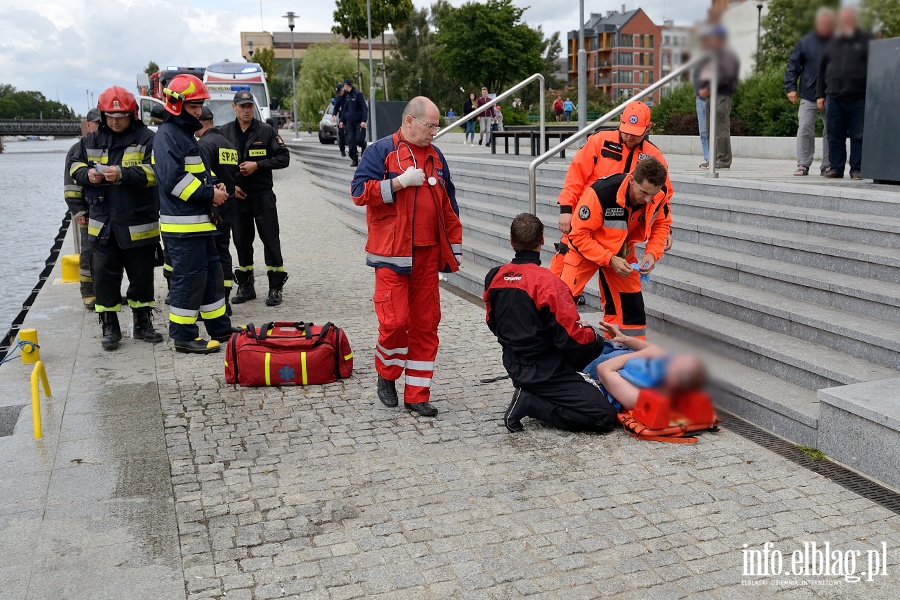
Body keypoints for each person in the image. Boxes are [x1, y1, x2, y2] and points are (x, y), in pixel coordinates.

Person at [350, 96, 463, 418]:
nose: (434, 133)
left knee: (427, 325)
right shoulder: (380, 151)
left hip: (427, 257)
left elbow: (449, 205)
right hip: (392, 256)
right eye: (430, 126)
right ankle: (386, 376)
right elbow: (359, 192)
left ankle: (417, 394)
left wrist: (452, 250)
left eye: (437, 127)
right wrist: (398, 183)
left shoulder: (437, 157)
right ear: (410, 121)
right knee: (395, 323)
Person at [485, 213, 618, 434]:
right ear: (542, 241)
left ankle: (532, 393)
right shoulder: (549, 283)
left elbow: (492, 321)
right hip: (545, 369)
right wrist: (595, 337)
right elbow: (572, 337)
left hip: (514, 362)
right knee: (603, 416)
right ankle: (531, 402)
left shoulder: (494, 276)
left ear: (511, 240)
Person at [68, 86, 162, 351]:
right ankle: (110, 326)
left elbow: (156, 173)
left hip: (138, 223)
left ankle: (142, 323)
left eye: (121, 115)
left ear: (132, 114)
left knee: (142, 277)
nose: (116, 120)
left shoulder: (148, 139)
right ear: (103, 114)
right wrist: (88, 175)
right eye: (110, 115)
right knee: (105, 278)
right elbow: (75, 165)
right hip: (103, 224)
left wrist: (122, 174)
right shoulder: (90, 141)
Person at [154, 74, 234, 354]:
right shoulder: (167, 136)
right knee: (189, 280)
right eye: (193, 107)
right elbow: (173, 180)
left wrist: (215, 184)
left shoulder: (184, 134)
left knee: (211, 275)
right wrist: (210, 194)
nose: (199, 112)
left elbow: (199, 171)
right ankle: (184, 336)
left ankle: (220, 328)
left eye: (200, 106)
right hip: (183, 228)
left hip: (200, 225)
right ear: (176, 105)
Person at [549, 102, 674, 279]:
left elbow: (663, 196)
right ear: (621, 121)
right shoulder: (599, 141)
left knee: (623, 290)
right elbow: (576, 175)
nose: (630, 137)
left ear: (648, 128)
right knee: (562, 274)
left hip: (620, 229)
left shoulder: (654, 155)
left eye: (636, 133)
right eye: (626, 130)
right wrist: (566, 209)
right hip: (586, 219)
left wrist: (666, 230)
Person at [559, 158, 671, 340]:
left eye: (653, 194)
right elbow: (578, 235)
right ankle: (557, 354)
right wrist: (609, 259)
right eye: (643, 193)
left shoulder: (659, 194)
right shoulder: (601, 193)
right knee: (563, 302)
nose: (648, 199)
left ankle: (628, 354)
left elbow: (661, 224)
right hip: (585, 251)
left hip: (622, 252)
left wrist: (652, 253)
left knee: (631, 308)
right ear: (632, 179)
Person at [219, 90, 291, 306]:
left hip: (262, 195)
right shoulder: (224, 133)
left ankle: (275, 288)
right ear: (234, 107)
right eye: (242, 106)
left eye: (250, 106)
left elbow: (284, 158)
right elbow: (218, 166)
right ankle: (246, 287)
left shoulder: (266, 131)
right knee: (241, 241)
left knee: (270, 240)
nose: (247, 109)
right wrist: (232, 188)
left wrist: (257, 165)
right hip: (238, 197)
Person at [584, 323, 707, 412]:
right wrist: (625, 339)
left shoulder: (639, 397)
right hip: (608, 350)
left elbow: (603, 370)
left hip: (587, 362)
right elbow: (657, 350)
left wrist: (641, 354)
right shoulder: (666, 369)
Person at [817, 6, 872, 180]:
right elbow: (821, 69)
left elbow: (875, 67)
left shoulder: (866, 40)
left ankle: (857, 169)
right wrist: (820, 95)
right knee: (834, 135)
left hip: (859, 98)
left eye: (847, 19)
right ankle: (836, 168)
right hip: (834, 97)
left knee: (859, 136)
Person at [196, 105, 240, 315]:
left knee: (211, 255)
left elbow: (203, 177)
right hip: (230, 205)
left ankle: (214, 300)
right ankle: (226, 298)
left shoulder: (204, 145)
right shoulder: (228, 144)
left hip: (213, 208)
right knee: (224, 252)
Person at [785, 7, 835, 177]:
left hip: (831, 94)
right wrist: (791, 87)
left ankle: (828, 165)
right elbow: (793, 65)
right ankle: (803, 164)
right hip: (808, 93)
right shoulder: (806, 42)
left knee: (831, 130)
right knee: (805, 127)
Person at [64, 108, 101, 310]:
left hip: (105, 210)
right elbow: (70, 185)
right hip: (87, 211)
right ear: (88, 125)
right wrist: (78, 211)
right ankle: (88, 293)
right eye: (96, 123)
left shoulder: (107, 146)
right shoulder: (78, 149)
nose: (99, 126)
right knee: (88, 253)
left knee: (107, 255)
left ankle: (106, 292)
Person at [698, 25, 739, 170]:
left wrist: (707, 88)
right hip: (710, 95)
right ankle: (713, 159)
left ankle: (723, 160)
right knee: (710, 129)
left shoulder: (727, 55)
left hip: (721, 94)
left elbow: (725, 76)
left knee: (720, 129)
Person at [335, 78, 368, 167]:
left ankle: (363, 147)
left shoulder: (357, 94)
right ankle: (354, 158)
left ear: (347, 85)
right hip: (349, 123)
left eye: (344, 85)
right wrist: (342, 121)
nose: (343, 87)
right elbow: (345, 109)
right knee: (350, 141)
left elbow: (364, 108)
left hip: (358, 122)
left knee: (359, 140)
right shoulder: (347, 96)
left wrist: (364, 120)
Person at [692, 64, 710, 168]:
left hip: (712, 99)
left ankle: (716, 158)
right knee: (703, 131)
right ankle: (708, 158)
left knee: (713, 131)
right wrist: (697, 95)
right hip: (701, 100)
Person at [332, 84, 347, 158]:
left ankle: (353, 150)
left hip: (349, 117)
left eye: (339, 92)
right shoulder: (339, 98)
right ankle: (342, 150)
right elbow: (336, 108)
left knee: (351, 135)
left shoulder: (348, 96)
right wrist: (334, 114)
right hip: (342, 118)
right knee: (341, 133)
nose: (339, 94)